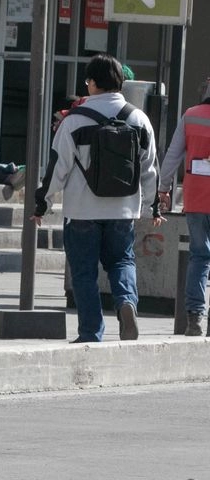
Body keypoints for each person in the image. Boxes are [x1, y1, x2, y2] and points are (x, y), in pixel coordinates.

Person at [32, 53, 162, 343]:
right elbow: (150, 167)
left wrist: (43, 202)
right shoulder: (138, 118)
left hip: (82, 211)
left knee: (83, 272)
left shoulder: (74, 121)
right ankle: (126, 303)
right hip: (123, 209)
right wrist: (152, 205)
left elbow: (58, 168)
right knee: (121, 262)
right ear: (120, 83)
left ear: (91, 84)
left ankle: (91, 332)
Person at [157, 76, 210, 336]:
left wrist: (164, 189)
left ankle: (194, 319)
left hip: (197, 198)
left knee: (199, 257)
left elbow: (173, 155)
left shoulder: (191, 116)